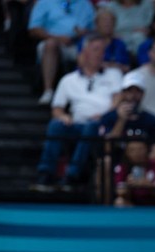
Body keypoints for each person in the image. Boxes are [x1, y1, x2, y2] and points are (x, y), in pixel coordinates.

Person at [31, 34, 123, 192]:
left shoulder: (113, 75)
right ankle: (45, 173)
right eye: (96, 50)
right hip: (77, 124)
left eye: (102, 51)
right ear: (84, 52)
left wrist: (104, 114)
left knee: (91, 126)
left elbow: (118, 100)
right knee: (55, 125)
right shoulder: (68, 80)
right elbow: (57, 109)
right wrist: (63, 116)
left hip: (103, 124)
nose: (101, 54)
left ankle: (72, 175)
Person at [28, 0, 96, 105]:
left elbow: (94, 31)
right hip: (51, 41)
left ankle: (85, 92)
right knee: (50, 45)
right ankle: (48, 91)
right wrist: (57, 38)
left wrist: (83, 33)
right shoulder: (45, 2)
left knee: (92, 49)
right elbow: (34, 29)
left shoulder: (85, 4)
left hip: (77, 44)